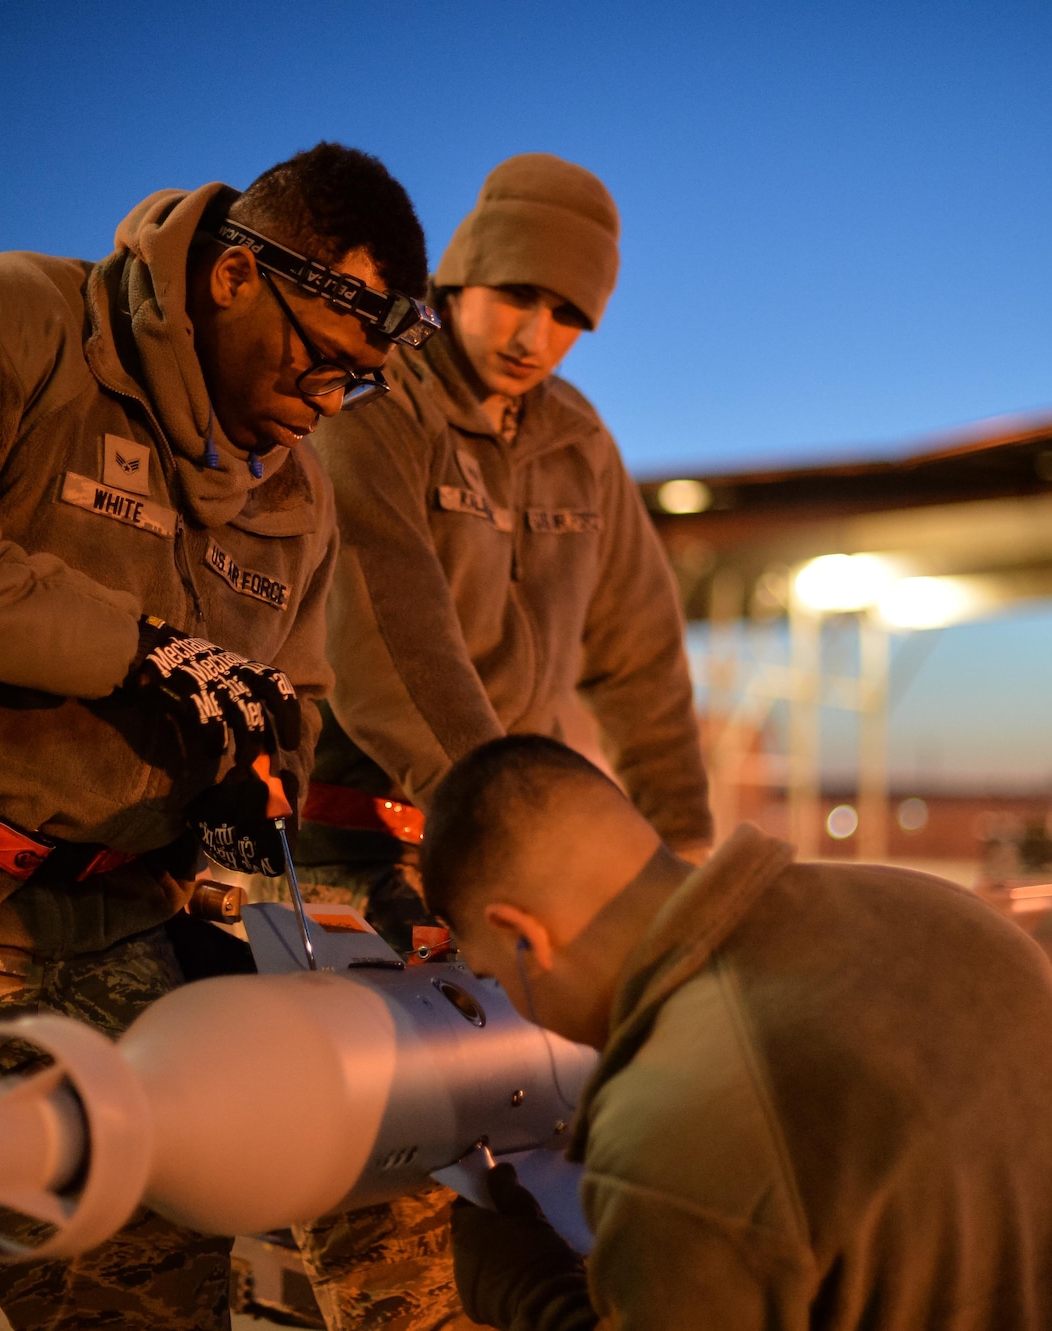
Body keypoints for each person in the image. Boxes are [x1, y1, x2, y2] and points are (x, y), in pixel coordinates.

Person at [0, 143, 434, 1331]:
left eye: (355, 383)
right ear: (234, 277)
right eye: (317, 355)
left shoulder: (294, 498)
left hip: (114, 936)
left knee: (148, 1302)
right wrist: (139, 650)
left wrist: (250, 792)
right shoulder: (2, 324)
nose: (324, 398)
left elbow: (284, 696)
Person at [287, 152, 713, 1331]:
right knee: (388, 1212)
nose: (537, 333)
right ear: (461, 274)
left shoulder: (578, 443)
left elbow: (639, 663)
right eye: (516, 295)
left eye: (570, 313)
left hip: (508, 867)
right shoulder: (372, 415)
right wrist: (501, 833)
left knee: (550, 1153)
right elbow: (395, 648)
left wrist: (677, 859)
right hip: (359, 861)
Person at [426, 735, 1052, 1331]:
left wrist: (533, 1293)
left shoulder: (673, 1121)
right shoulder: (950, 912)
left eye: (493, 976)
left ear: (525, 937)